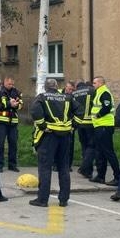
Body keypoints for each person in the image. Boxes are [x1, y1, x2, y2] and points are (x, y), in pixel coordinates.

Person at [29, 77, 76, 208]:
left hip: (48, 136)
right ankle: (63, 199)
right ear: (57, 86)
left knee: (45, 168)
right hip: (65, 136)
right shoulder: (67, 97)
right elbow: (80, 111)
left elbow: (34, 111)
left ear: (45, 87)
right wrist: (73, 126)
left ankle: (42, 199)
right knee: (64, 167)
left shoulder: (42, 97)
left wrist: (43, 126)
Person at [90, 75, 120, 186]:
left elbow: (106, 107)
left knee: (108, 152)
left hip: (104, 125)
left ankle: (118, 177)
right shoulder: (99, 92)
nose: (93, 85)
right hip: (99, 126)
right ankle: (100, 176)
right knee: (100, 152)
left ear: (100, 83)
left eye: (94, 83)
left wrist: (98, 115)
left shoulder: (104, 92)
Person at [0, 76, 24, 173]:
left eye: (12, 84)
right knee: (0, 144)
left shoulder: (16, 92)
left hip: (13, 122)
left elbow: (21, 104)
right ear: (4, 82)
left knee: (13, 144)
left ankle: (12, 165)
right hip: (1, 122)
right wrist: (9, 104)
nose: (11, 86)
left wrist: (16, 105)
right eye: (9, 84)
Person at [73, 80, 96, 178]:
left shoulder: (74, 94)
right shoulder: (92, 90)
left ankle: (88, 172)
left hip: (80, 123)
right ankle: (84, 167)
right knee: (92, 146)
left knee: (84, 146)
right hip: (91, 123)